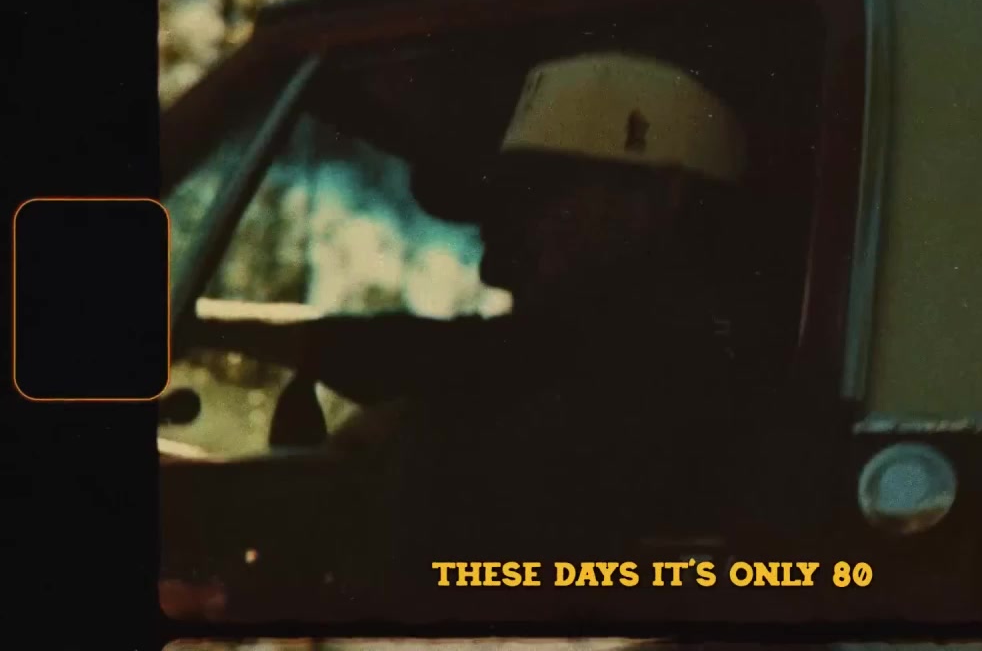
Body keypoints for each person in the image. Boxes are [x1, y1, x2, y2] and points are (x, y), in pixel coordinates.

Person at [190, 52, 766, 565]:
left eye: (544, 197)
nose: (496, 266)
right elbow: (435, 354)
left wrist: (387, 446)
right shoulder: (596, 349)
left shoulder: (660, 382)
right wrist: (206, 327)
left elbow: (437, 398)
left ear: (659, 198)